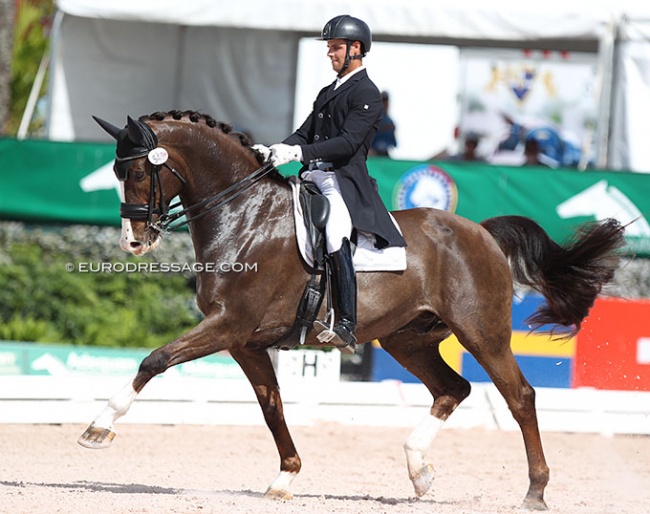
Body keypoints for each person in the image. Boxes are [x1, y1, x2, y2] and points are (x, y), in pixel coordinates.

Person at [254, 15, 406, 349]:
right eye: (329, 47)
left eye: (335, 47)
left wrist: (298, 151)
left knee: (336, 234)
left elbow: (348, 143)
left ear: (356, 48)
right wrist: (276, 148)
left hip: (343, 182)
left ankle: (347, 324)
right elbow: (305, 132)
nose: (330, 54)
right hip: (313, 176)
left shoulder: (366, 93)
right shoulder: (328, 92)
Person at [369, 91, 397, 157]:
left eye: (386, 102)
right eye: (383, 102)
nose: (384, 104)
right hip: (372, 155)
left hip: (384, 154)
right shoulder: (371, 120)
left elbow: (393, 143)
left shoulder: (390, 122)